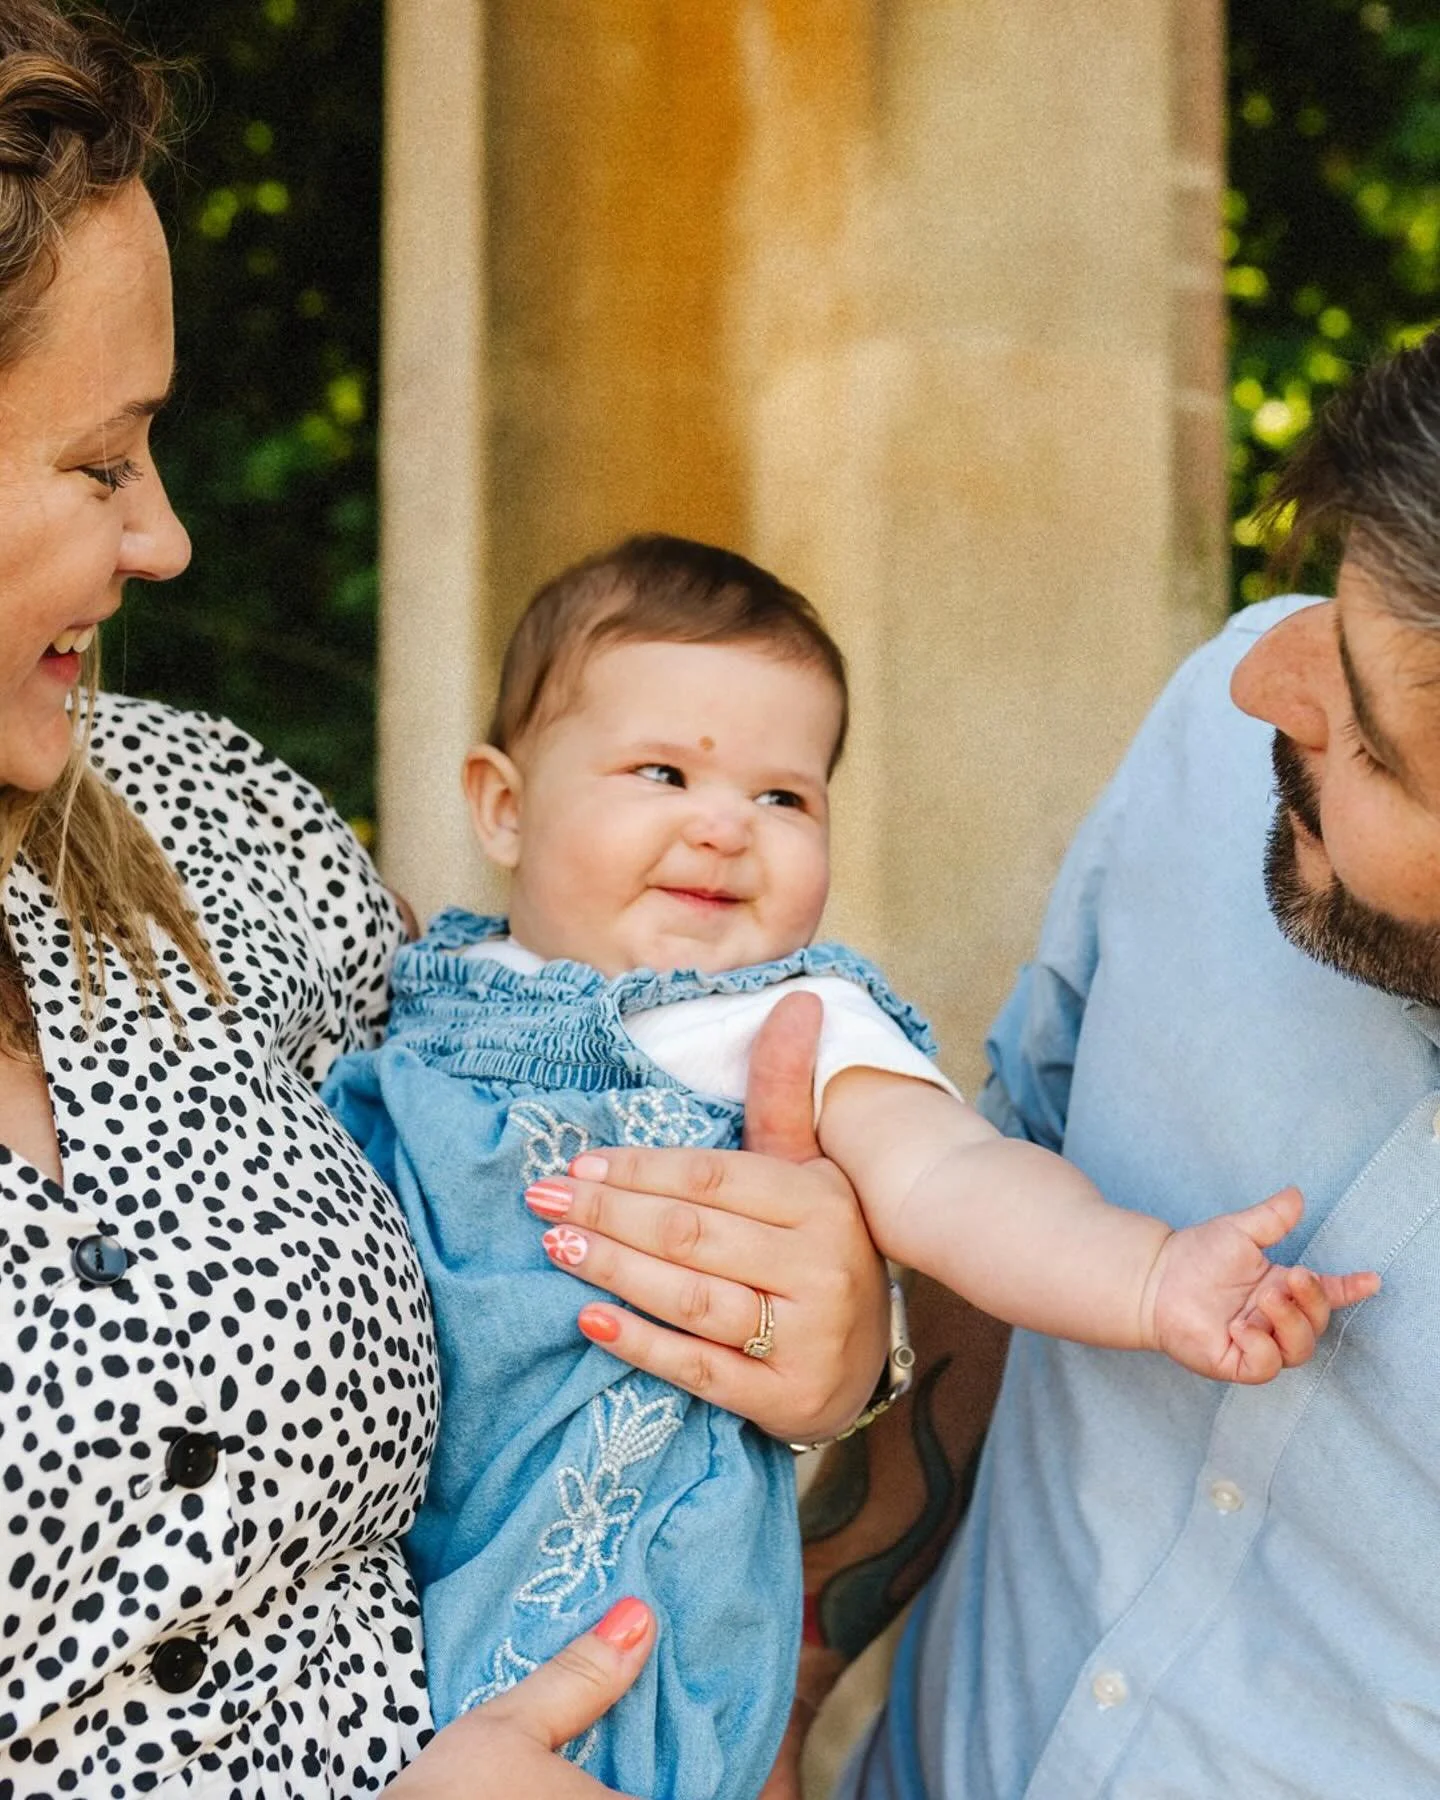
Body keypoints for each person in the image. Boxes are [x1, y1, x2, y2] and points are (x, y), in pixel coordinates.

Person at [0, 6, 893, 1794]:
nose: (164, 535)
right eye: (101, 463)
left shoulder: (217, 821)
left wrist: (831, 1337)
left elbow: (576, 1072)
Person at [321, 532, 1375, 1800]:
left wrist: (1154, 1279)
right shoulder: (427, 989)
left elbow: (958, 1186)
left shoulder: (790, 1021)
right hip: (377, 1584)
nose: (725, 828)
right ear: (502, 802)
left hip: (624, 1599)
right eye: (663, 772)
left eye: (786, 796)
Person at [783, 324, 1440, 1800]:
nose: (1264, 687)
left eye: (1375, 743)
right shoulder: (1220, 759)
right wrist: (800, 1657)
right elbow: (1007, 1202)